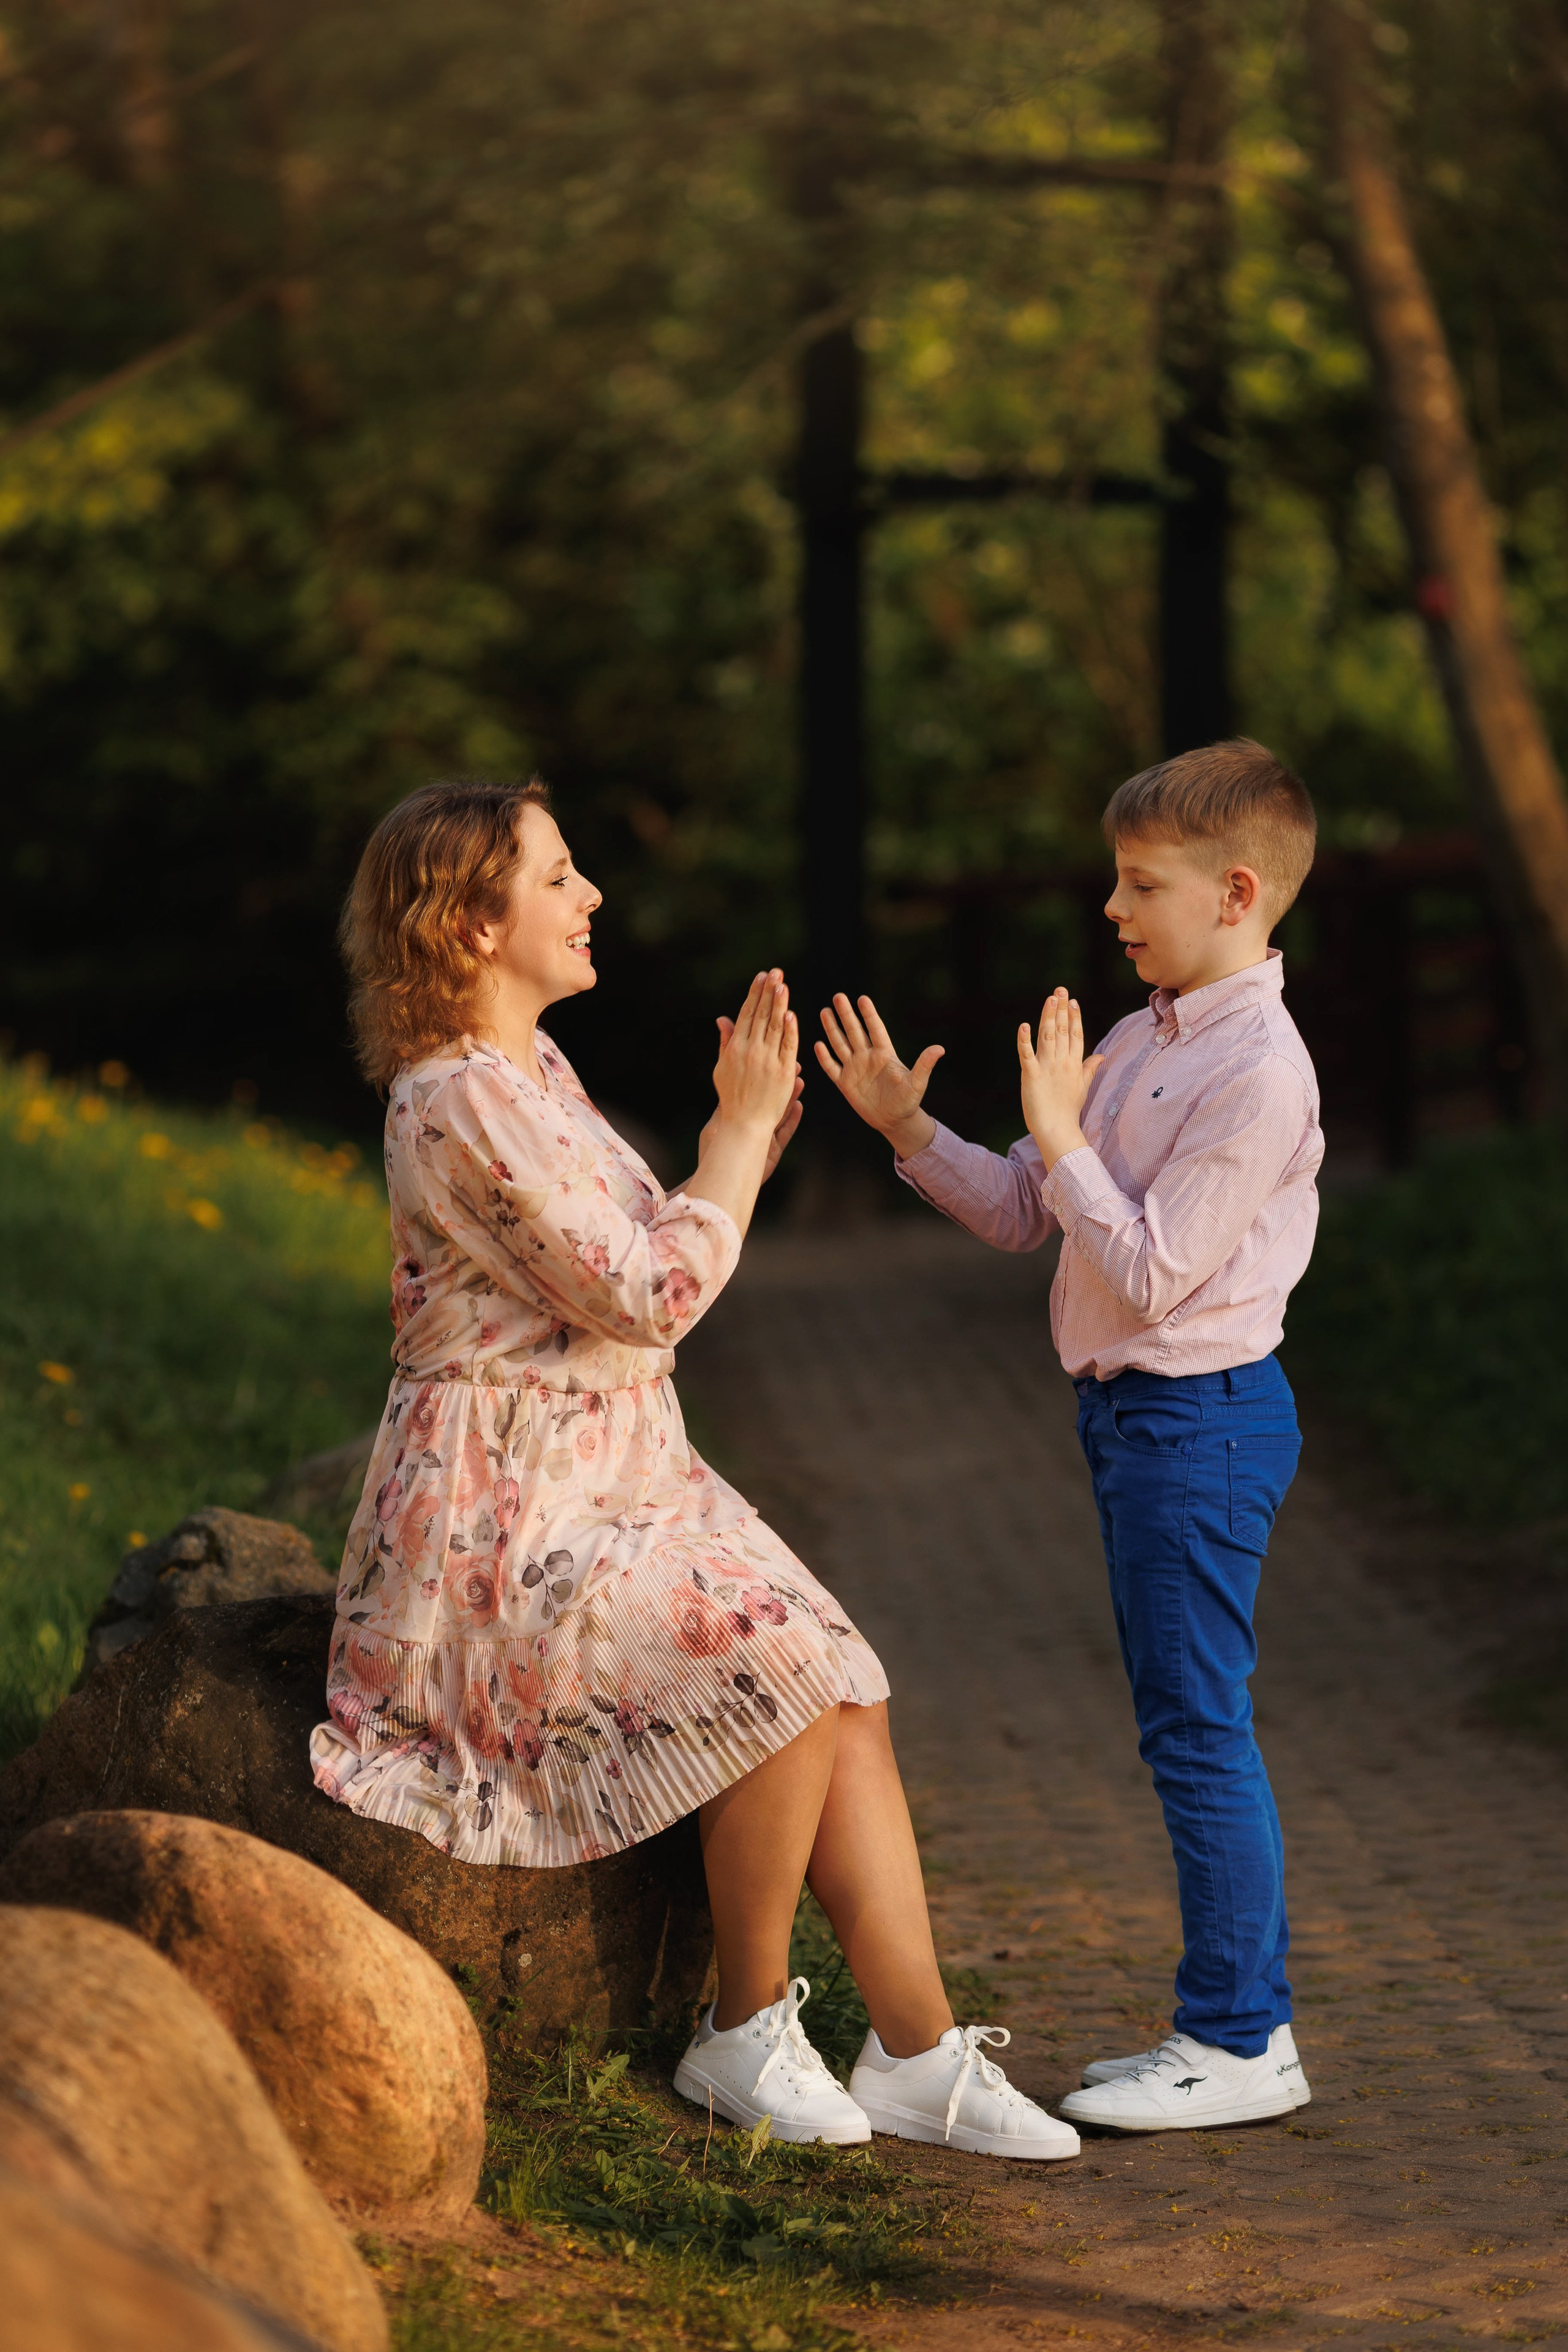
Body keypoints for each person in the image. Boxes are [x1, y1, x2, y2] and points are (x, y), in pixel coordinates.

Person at [311, 775, 1078, 2161]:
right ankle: (740, 2027)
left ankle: (914, 2051)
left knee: (844, 1683)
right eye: (556, 876)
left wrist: (747, 1140)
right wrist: (725, 1148)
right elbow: (646, 1294)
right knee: (777, 1662)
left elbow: (639, 1252)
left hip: (619, 1486)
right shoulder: (452, 1101)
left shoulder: (531, 1076)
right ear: (471, 929)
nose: (590, 895)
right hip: (505, 1525)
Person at [816, 739, 1322, 2134]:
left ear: (1232, 894)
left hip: (1201, 1421)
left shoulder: (1257, 1072)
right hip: (1132, 1420)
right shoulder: (1135, 1037)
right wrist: (912, 1128)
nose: (1111, 909)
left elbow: (1153, 1269)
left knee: (1198, 1728)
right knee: (1184, 1723)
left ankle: (1238, 2041)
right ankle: (1232, 2028)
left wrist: (1061, 1131)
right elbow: (1021, 1213)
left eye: (1136, 884)